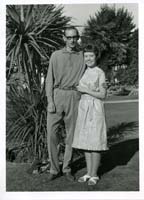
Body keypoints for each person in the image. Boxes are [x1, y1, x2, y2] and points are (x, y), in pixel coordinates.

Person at [45, 26, 85, 181]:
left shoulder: (82, 55)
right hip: (57, 95)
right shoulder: (55, 55)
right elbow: (49, 79)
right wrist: (50, 100)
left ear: (78, 37)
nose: (72, 40)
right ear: (64, 38)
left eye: (75, 37)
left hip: (74, 96)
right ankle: (54, 169)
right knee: (51, 134)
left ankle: (67, 168)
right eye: (69, 37)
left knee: (71, 136)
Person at [72, 44, 108, 185]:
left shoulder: (100, 73)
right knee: (86, 142)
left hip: (95, 108)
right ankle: (88, 172)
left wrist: (85, 90)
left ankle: (95, 175)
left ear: (96, 56)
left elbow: (103, 94)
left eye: (91, 56)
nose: (88, 58)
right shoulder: (83, 71)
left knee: (95, 141)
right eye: (86, 56)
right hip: (83, 108)